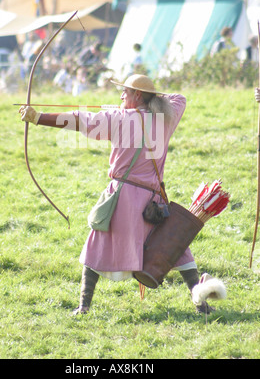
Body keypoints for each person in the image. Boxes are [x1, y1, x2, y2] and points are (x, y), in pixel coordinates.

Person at [19, 74, 214, 315]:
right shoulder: (166, 117)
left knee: (95, 246)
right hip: (154, 201)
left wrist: (38, 118)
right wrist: (143, 104)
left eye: (126, 91)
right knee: (175, 246)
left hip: (123, 198)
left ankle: (84, 306)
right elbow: (178, 98)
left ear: (138, 95)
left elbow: (79, 119)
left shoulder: (118, 118)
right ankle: (201, 305)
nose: (121, 95)